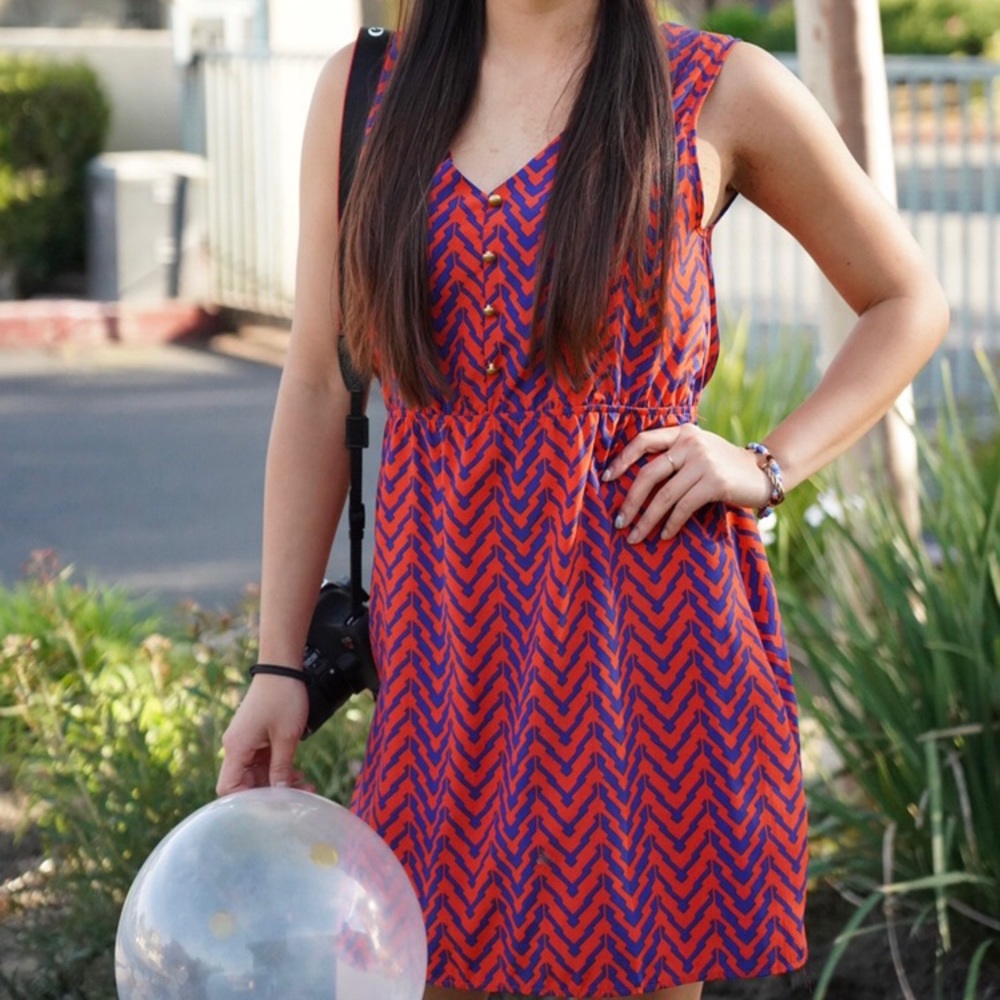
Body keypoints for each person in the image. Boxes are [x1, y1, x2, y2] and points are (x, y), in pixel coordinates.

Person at [216, 1, 949, 998]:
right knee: (418, 963)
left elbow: (905, 298)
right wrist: (277, 658)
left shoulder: (714, 85)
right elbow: (315, 381)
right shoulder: (363, 89)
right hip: (446, 657)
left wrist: (765, 462)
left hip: (642, 646)